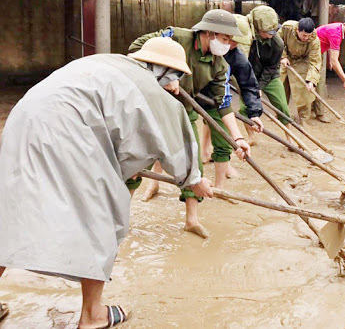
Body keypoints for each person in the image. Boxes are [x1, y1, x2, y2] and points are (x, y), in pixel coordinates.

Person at [0, 37, 218, 328]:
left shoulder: (105, 63)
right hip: (68, 135)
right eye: (176, 74)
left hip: (22, 123)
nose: (176, 82)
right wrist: (194, 180)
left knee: (12, 212)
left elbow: (113, 125)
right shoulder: (150, 90)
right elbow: (177, 145)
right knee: (102, 220)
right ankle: (93, 315)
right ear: (163, 70)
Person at [128, 9, 251, 239]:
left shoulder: (220, 65)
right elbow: (136, 48)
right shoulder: (175, 37)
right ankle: (123, 215)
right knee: (136, 161)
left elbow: (224, 104)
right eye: (225, 39)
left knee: (194, 164)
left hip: (182, 112)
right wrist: (166, 74)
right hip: (151, 107)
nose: (228, 45)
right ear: (209, 33)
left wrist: (238, 139)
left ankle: (191, 220)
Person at [201, 14, 264, 153]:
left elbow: (249, 85)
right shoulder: (203, 46)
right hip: (195, 91)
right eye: (228, 41)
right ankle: (205, 150)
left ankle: (212, 155)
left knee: (219, 126)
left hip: (217, 94)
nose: (231, 45)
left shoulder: (237, 57)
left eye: (235, 43)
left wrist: (254, 112)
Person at [246, 5, 292, 127]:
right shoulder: (247, 38)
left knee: (282, 106)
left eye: (274, 30)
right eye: (268, 32)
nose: (272, 34)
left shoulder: (278, 44)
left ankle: (290, 138)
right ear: (257, 28)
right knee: (244, 108)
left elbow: (271, 68)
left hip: (270, 76)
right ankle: (251, 137)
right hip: (249, 77)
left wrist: (260, 87)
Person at [315, 14, 345, 122]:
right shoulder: (336, 33)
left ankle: (316, 111)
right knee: (318, 83)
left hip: (317, 51)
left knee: (316, 83)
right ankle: (316, 114)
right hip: (310, 54)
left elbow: (329, 44)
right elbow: (335, 61)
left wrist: (330, 58)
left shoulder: (338, 28)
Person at [278, 17, 322, 122]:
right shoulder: (286, 28)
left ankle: (303, 118)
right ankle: (280, 114)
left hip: (302, 60)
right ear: (297, 30)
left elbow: (315, 61)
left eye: (308, 35)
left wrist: (312, 80)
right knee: (281, 86)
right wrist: (283, 56)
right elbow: (277, 42)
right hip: (286, 58)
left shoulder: (315, 41)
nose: (306, 38)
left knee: (305, 91)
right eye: (304, 35)